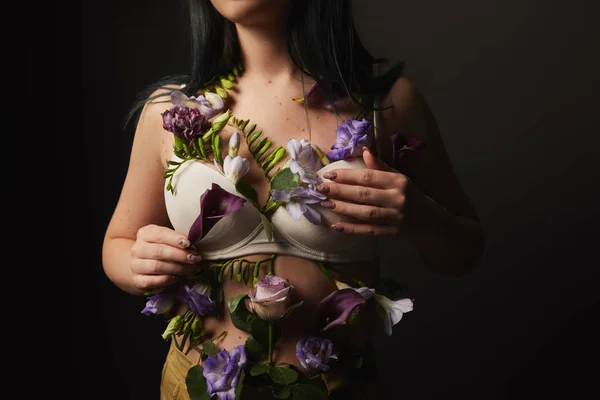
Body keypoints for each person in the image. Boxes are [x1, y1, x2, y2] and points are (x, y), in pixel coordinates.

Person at [102, 0, 485, 399]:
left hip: (337, 388)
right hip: (192, 386)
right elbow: (117, 244)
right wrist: (138, 262)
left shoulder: (385, 103)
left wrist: (419, 215)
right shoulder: (169, 112)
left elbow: (464, 252)